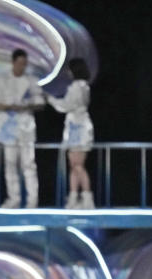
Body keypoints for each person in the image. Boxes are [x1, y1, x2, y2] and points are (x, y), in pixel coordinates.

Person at [0, 48, 45, 209]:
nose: (22, 67)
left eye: (25, 64)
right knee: (10, 164)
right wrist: (8, 106)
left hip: (25, 128)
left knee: (28, 164)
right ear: (13, 62)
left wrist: (26, 105)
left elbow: (40, 102)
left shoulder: (31, 80)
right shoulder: (0, 79)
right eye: (20, 63)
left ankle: (32, 201)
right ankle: (13, 199)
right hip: (7, 129)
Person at [46, 57, 94, 209]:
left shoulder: (77, 87)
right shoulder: (84, 86)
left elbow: (65, 106)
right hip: (76, 126)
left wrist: (50, 99)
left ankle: (87, 198)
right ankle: (73, 197)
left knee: (78, 165)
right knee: (74, 165)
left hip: (79, 128)